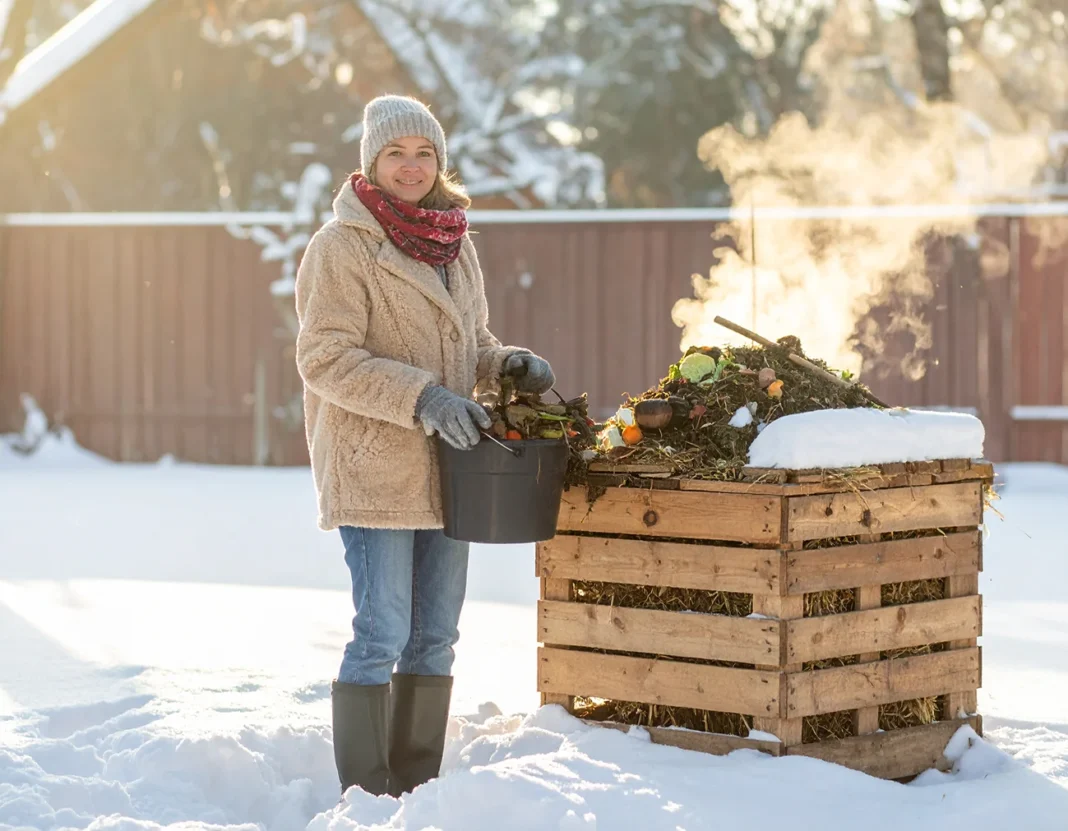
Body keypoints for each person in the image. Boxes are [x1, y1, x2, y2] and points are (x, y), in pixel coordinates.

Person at [294, 95, 555, 798]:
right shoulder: (341, 247)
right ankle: (366, 793)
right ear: (371, 164)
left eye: (424, 154)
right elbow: (325, 358)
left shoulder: (454, 244)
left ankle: (417, 785)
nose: (411, 167)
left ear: (439, 162)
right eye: (395, 154)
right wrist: (424, 397)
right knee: (382, 632)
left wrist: (504, 365)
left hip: (450, 471)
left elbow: (469, 343)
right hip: (375, 470)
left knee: (435, 634)